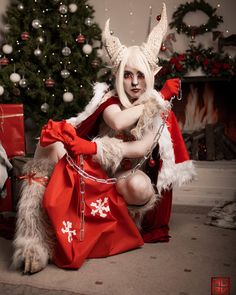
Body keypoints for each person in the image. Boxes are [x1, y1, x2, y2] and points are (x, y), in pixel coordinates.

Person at [12, 3, 195, 274]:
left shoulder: (157, 112)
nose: (134, 83)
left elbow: (141, 148)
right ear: (118, 77)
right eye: (127, 75)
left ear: (150, 75)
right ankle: (34, 240)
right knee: (48, 145)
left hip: (122, 181)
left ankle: (124, 222)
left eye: (140, 75)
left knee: (140, 187)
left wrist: (157, 102)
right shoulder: (109, 100)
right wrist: (156, 100)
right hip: (91, 170)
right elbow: (118, 121)